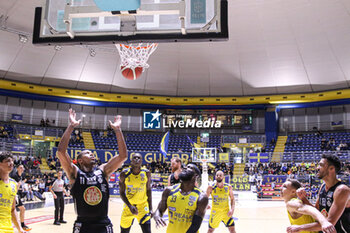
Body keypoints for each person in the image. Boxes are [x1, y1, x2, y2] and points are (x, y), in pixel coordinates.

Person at [57, 109, 127, 233]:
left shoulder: (103, 171)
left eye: (92, 153)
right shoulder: (75, 173)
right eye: (88, 153)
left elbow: (123, 156)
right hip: (83, 223)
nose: (92, 154)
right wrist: (71, 126)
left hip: (103, 222)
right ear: (80, 161)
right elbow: (61, 152)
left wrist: (117, 130)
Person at [288, 154, 350, 233]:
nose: (317, 168)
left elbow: (329, 223)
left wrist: (299, 227)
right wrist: (303, 198)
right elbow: (317, 212)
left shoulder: (342, 190)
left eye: (321, 165)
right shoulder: (323, 187)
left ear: (331, 168)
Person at [154, 163, 208, 233]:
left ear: (196, 176)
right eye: (185, 167)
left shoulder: (201, 197)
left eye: (190, 168)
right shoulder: (168, 191)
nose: (185, 168)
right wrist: (157, 216)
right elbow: (159, 210)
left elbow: (195, 225)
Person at [119, 153, 152, 233]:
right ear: (131, 161)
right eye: (134, 158)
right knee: (124, 231)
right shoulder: (124, 174)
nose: (137, 159)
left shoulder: (146, 173)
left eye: (139, 158)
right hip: (129, 206)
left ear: (141, 161)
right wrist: (130, 206)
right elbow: (121, 192)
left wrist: (150, 208)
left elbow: (149, 190)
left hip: (143, 206)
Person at [0, 151, 26, 233]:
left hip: (8, 228)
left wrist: (19, 229)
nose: (11, 163)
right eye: (7, 161)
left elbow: (13, 209)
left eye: (12, 161)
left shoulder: (14, 184)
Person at [10, 164, 31, 231]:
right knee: (13, 210)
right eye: (20, 168)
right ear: (17, 168)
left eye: (23, 167)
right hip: (12, 195)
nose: (22, 169)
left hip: (16, 195)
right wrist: (18, 187)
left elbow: (19, 184)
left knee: (22, 209)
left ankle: (22, 225)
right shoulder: (14, 176)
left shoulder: (20, 176)